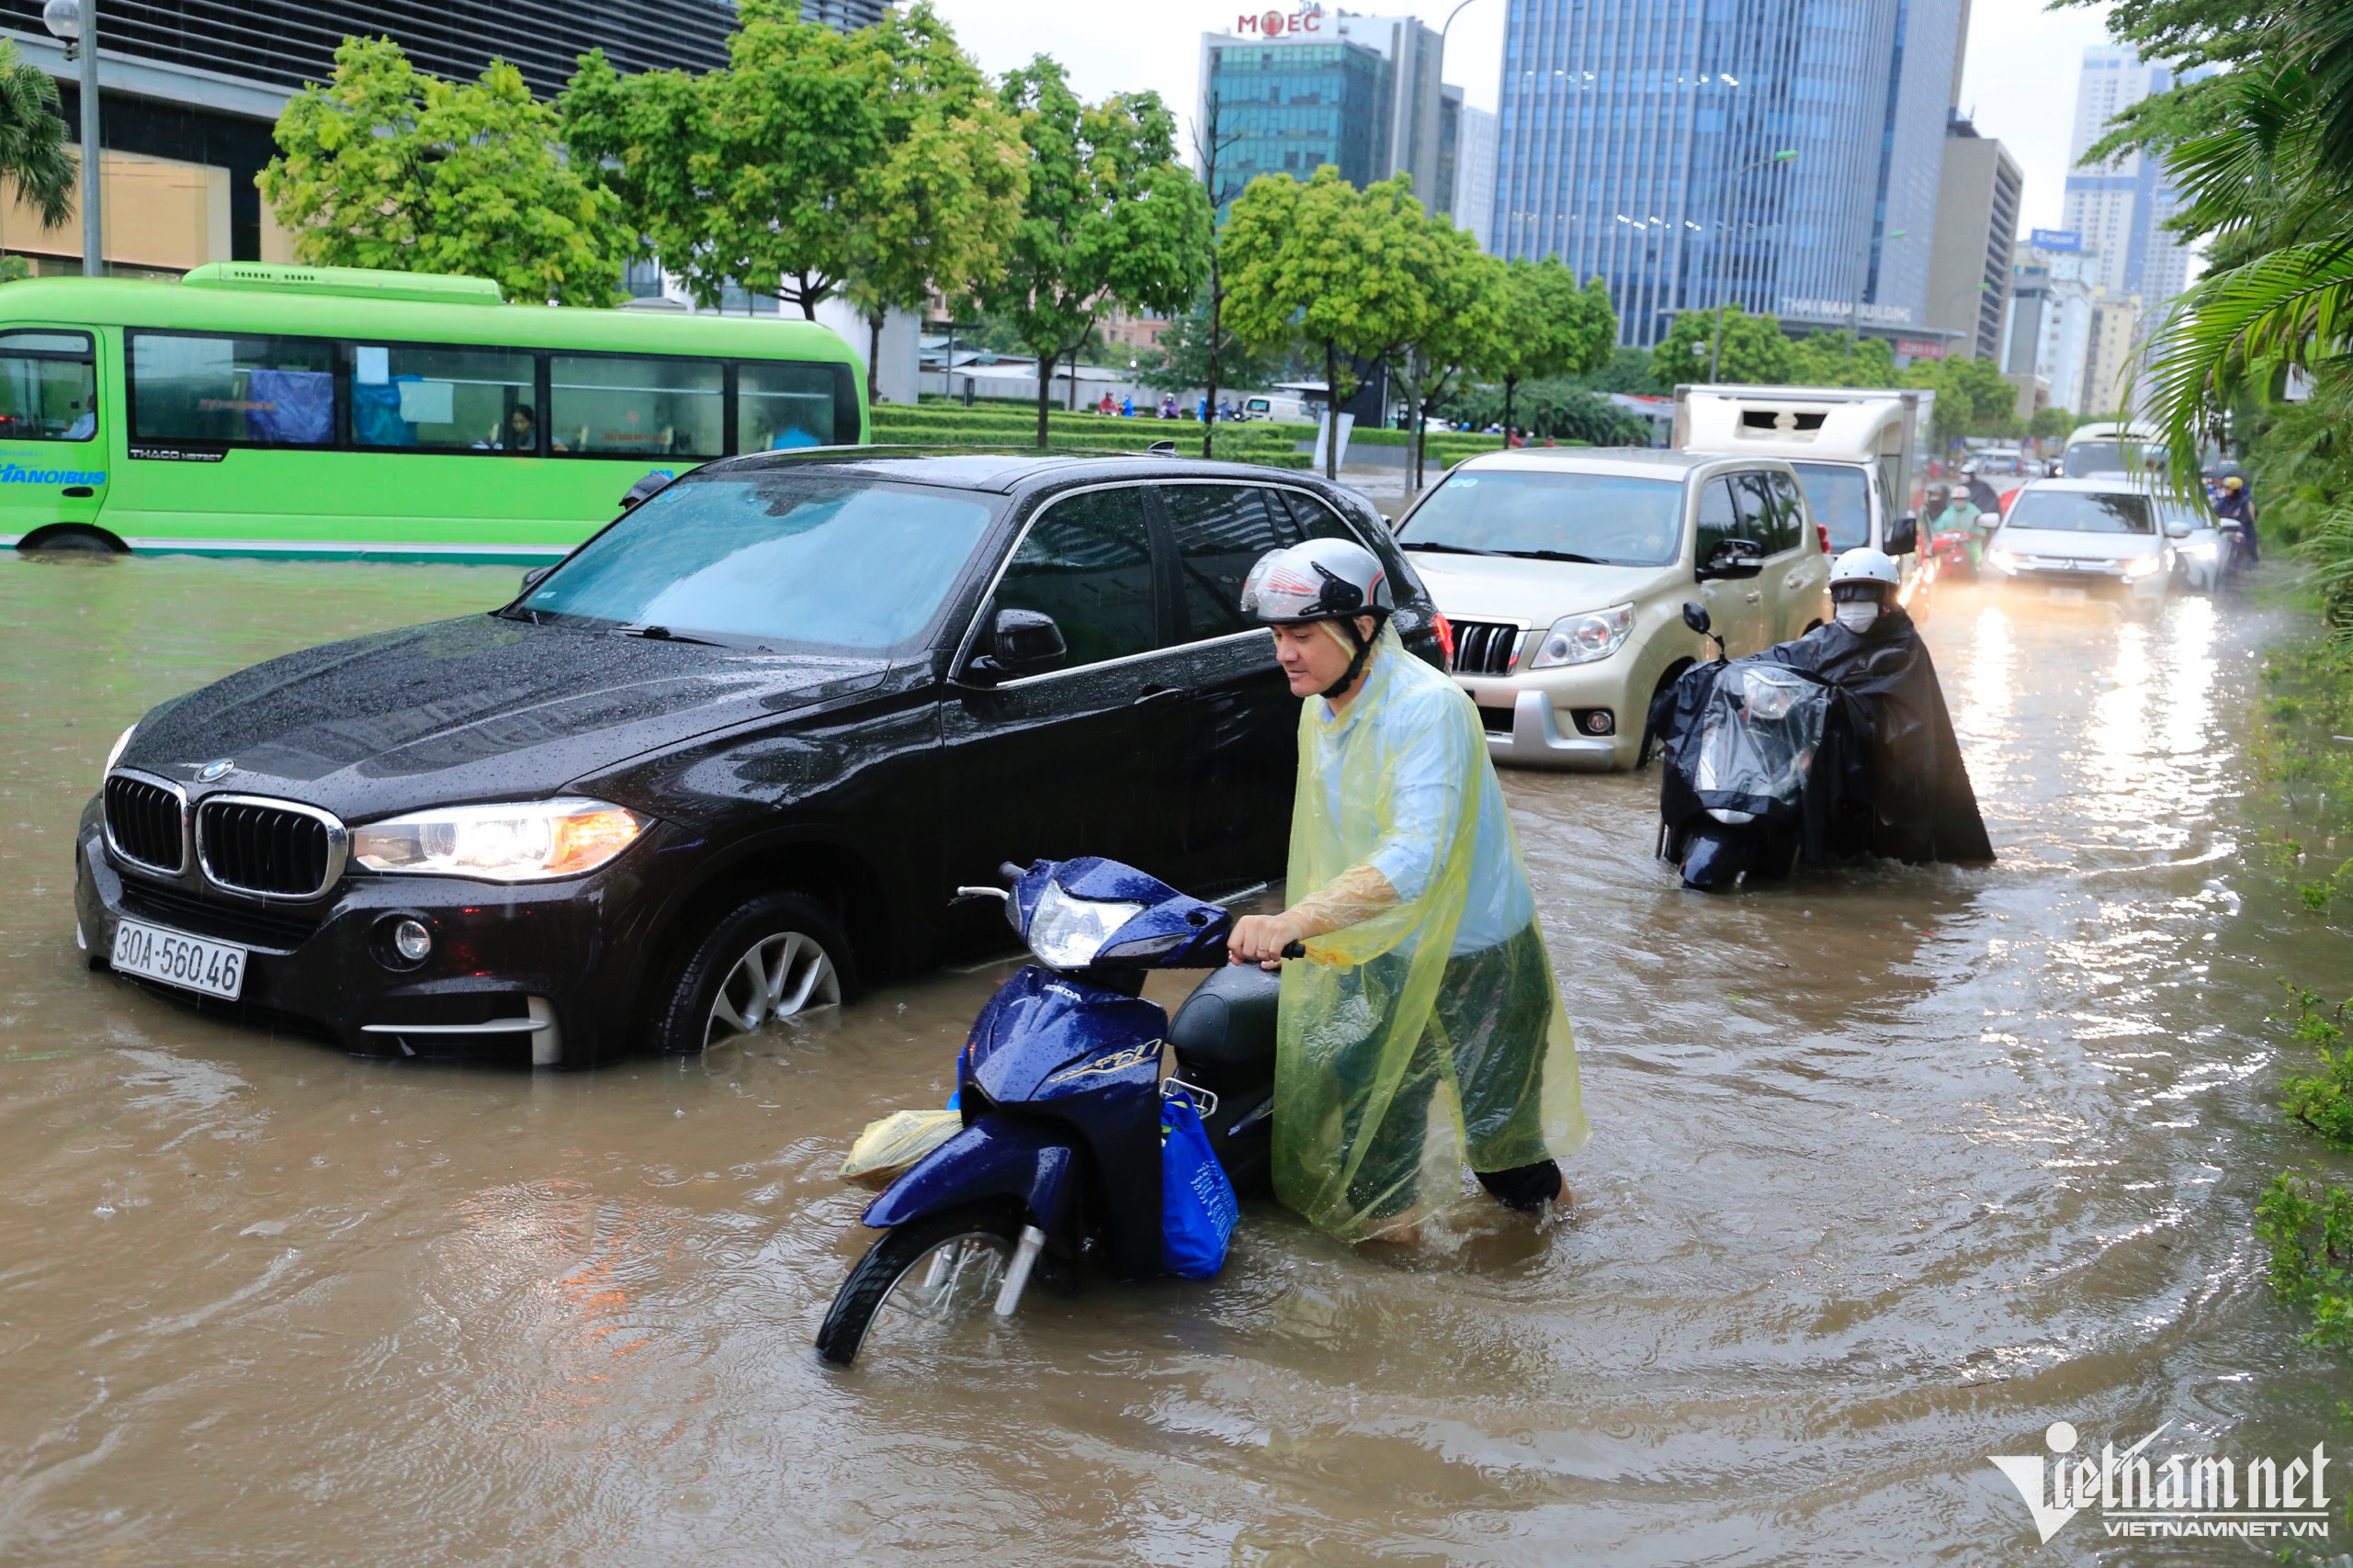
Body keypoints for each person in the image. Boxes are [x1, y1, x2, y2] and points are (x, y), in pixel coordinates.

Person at [1225, 539, 1589, 1242]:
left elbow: (1414, 857)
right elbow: (1335, 836)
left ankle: (1559, 1257)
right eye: (1276, 636)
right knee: (1369, 1141)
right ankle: (1384, 1314)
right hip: (1380, 951)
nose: (1284, 653)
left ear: (1361, 628)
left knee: (1504, 1158)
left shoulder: (1430, 708)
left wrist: (1294, 917)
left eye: (1301, 635)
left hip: (1476, 958)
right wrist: (1308, 930)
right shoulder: (1321, 706)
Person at [1754, 548, 1993, 865]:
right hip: (1819, 749)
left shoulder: (1904, 647)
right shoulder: (1826, 638)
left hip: (1877, 760)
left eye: (1863, 599)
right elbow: (1784, 658)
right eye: (1847, 599)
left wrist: (1844, 707)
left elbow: (1905, 717)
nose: (1854, 608)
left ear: (1885, 602)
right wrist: (1732, 668)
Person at [2216, 474, 2258, 564]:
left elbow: (2246, 518)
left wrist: (2240, 532)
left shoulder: (2245, 502)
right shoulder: (2223, 501)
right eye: (2225, 488)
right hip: (2225, 530)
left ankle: (2250, 561)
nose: (2225, 490)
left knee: (2247, 541)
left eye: (2228, 488)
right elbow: (2215, 514)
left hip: (2243, 530)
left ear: (2235, 490)